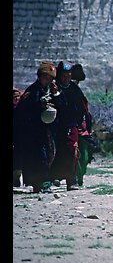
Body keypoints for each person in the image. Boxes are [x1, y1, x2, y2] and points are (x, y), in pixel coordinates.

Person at [14, 62, 63, 193]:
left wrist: (56, 95)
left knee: (48, 155)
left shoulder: (51, 90)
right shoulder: (32, 91)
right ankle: (41, 183)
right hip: (32, 131)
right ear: (40, 77)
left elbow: (62, 106)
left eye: (49, 78)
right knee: (38, 157)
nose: (47, 81)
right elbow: (24, 111)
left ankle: (43, 182)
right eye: (45, 78)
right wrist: (38, 105)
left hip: (47, 130)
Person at [49, 61, 88, 191]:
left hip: (70, 126)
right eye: (63, 75)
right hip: (54, 126)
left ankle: (71, 180)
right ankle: (51, 178)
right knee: (53, 152)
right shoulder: (52, 88)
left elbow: (80, 108)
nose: (66, 78)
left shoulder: (74, 89)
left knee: (72, 151)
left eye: (68, 75)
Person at [13, 87, 23, 187]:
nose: (16, 99)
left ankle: (16, 178)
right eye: (14, 97)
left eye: (18, 97)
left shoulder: (22, 109)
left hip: (19, 137)